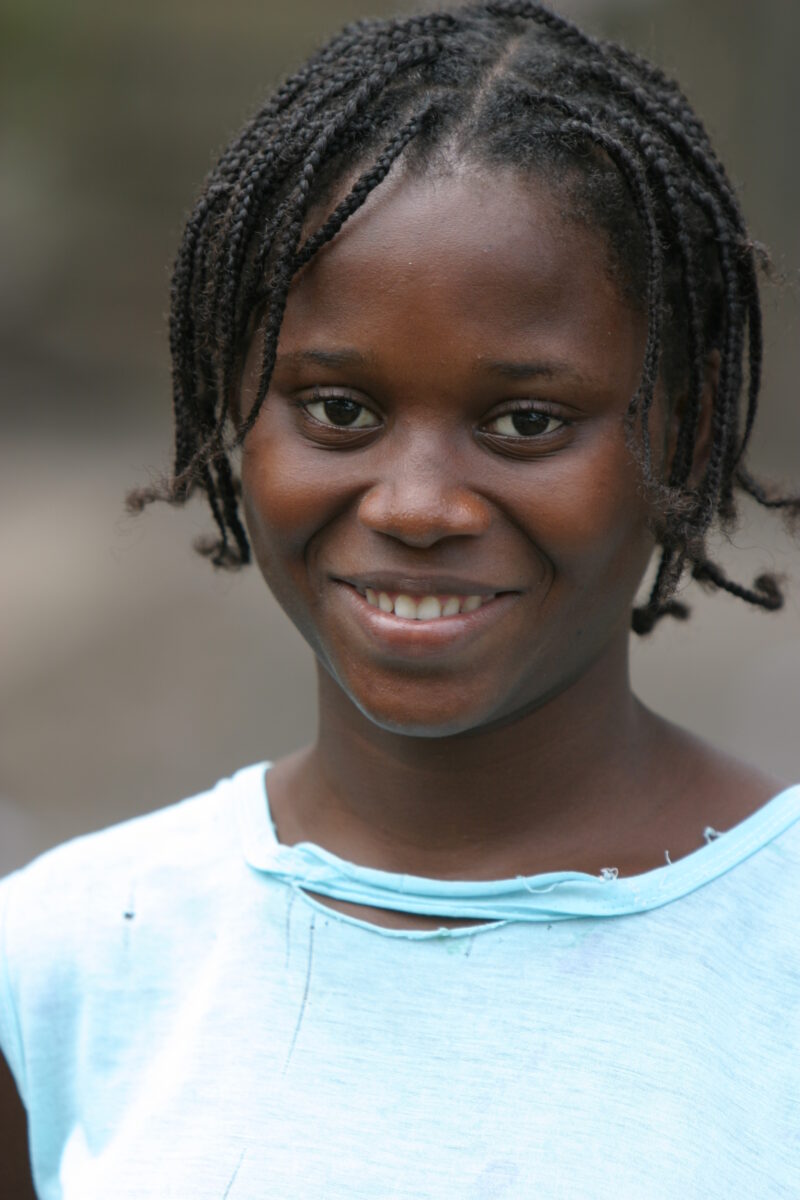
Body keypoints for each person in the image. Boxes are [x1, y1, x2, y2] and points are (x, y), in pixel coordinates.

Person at [2, 2, 798, 1195]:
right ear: (236, 417)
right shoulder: (61, 961)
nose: (416, 504)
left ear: (680, 428)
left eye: (524, 422)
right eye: (338, 410)